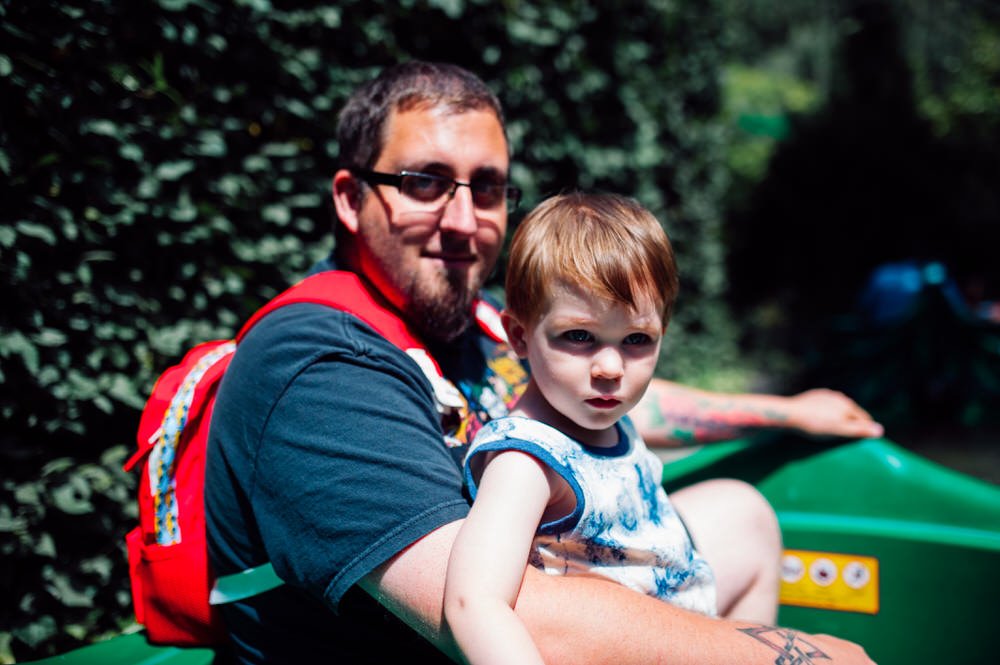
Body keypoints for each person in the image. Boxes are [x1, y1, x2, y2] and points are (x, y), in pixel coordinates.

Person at [205, 60, 880, 664]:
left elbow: (608, 396)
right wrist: (787, 657)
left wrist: (789, 411)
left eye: (489, 188)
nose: (464, 219)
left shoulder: (475, 322)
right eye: (425, 183)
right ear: (351, 200)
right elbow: (495, 613)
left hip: (556, 592)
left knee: (742, 512)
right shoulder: (318, 368)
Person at [444, 192, 717, 665]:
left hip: (680, 635)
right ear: (520, 337)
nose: (610, 367)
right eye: (579, 336)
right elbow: (474, 603)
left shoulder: (609, 418)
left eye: (636, 340)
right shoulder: (527, 461)